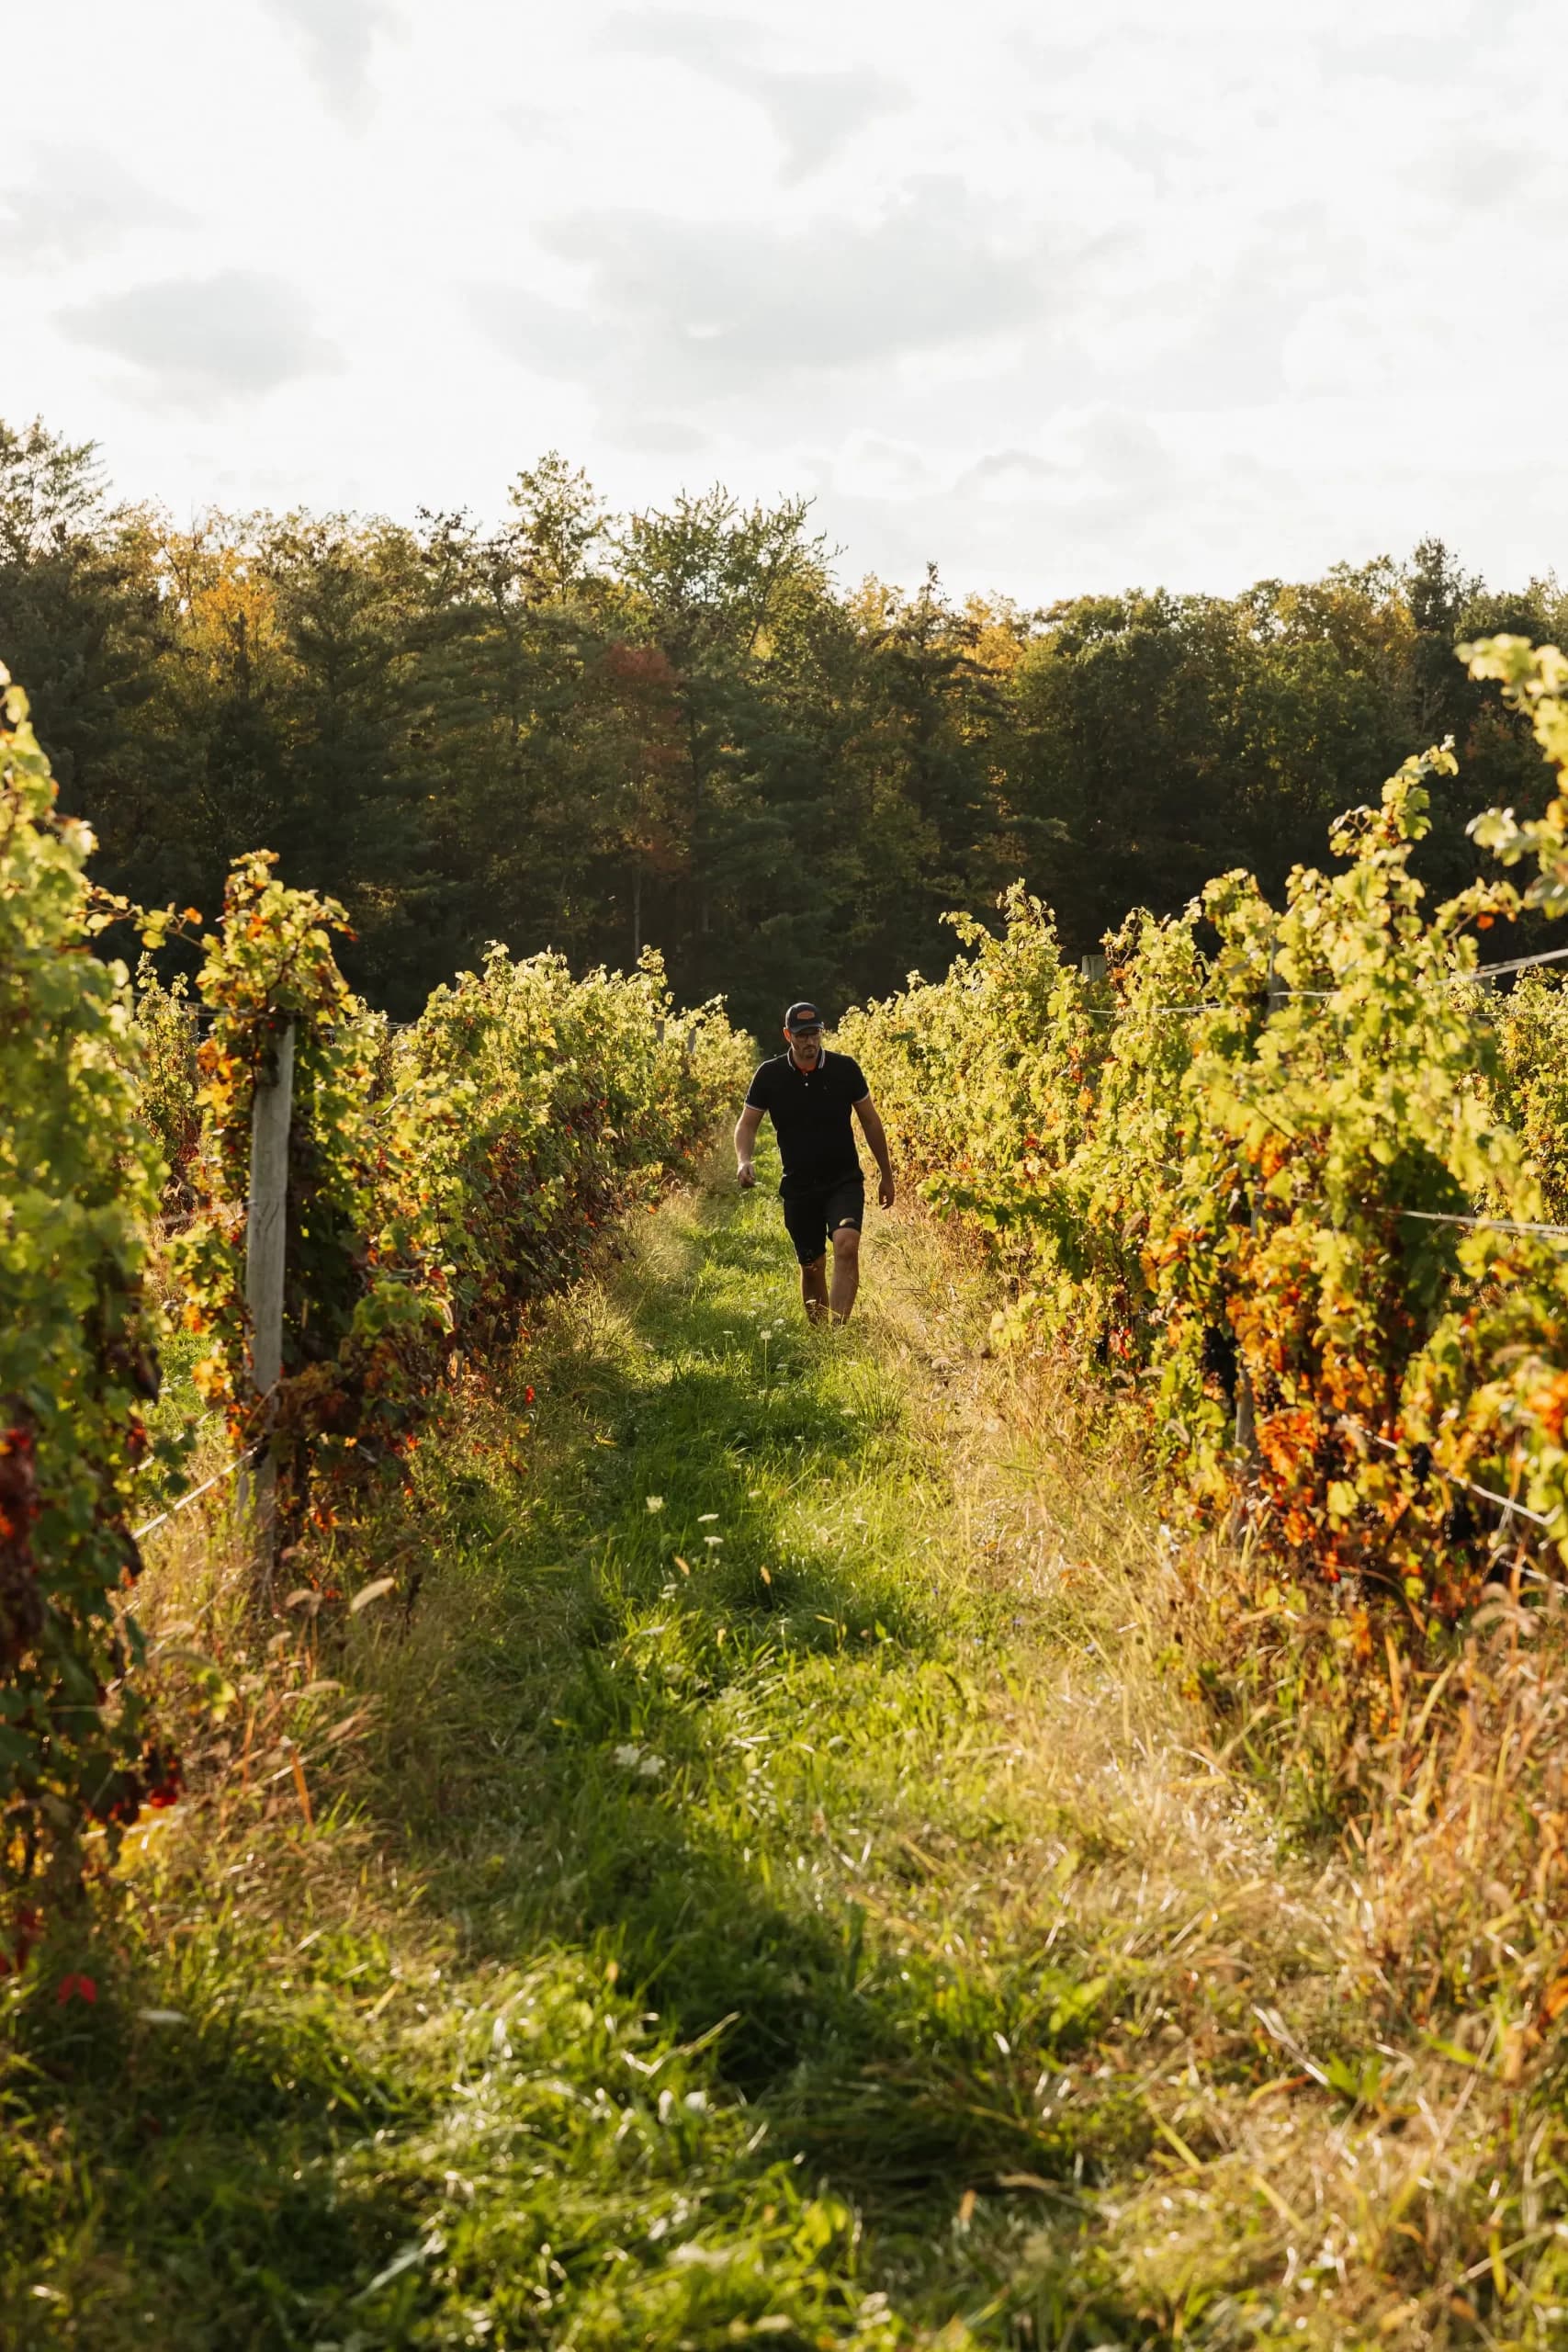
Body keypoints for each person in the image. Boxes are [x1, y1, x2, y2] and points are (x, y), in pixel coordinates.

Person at [734, 1001, 895, 1324]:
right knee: (812, 1265)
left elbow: (871, 1122)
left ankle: (837, 1331)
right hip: (799, 1184)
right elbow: (747, 1123)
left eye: (815, 1034)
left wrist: (886, 1174)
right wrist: (743, 1160)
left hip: (843, 1179)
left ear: (823, 1033)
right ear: (787, 1036)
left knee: (847, 1245)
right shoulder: (770, 1074)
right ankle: (820, 1334)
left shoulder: (845, 1069)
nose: (809, 1042)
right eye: (802, 1035)